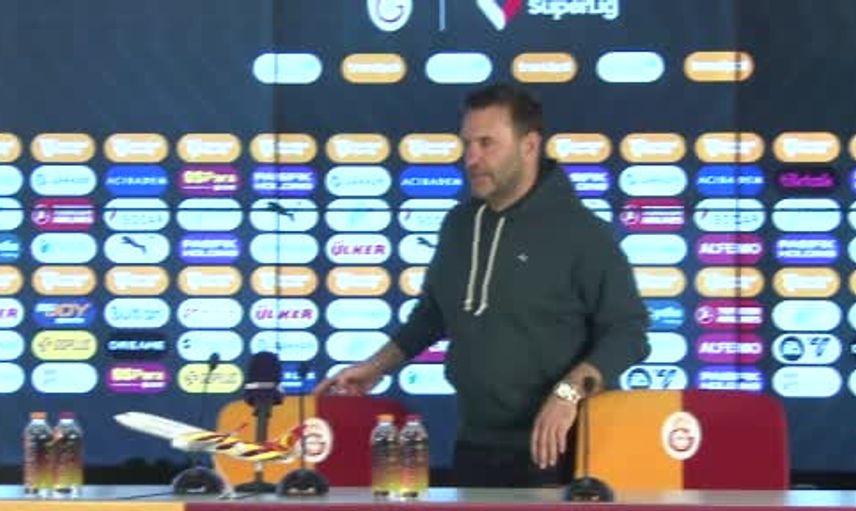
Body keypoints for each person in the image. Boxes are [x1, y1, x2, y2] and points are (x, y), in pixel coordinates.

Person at [314, 83, 649, 487]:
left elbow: (629, 332)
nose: (471, 158)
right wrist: (374, 367)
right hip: (474, 444)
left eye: (487, 144)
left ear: (529, 145)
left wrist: (568, 393)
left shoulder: (582, 232)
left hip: (557, 449)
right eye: (467, 144)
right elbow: (432, 314)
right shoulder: (458, 225)